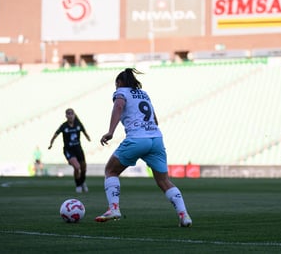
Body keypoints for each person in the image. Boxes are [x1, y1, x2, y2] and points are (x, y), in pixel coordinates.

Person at [94, 68, 192, 227]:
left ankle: (114, 208)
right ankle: (184, 215)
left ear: (119, 83)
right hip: (156, 138)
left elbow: (119, 106)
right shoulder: (144, 94)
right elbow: (155, 118)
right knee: (164, 181)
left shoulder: (121, 92)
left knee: (111, 171)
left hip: (137, 139)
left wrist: (110, 132)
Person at [48, 108, 91, 193]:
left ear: (74, 115)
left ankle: (82, 182)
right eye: (69, 114)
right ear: (66, 116)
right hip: (69, 150)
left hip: (78, 149)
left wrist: (88, 138)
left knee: (83, 168)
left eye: (72, 114)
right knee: (77, 167)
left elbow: (84, 132)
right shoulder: (64, 126)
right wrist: (51, 144)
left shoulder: (78, 124)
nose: (70, 116)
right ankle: (78, 185)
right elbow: (55, 135)